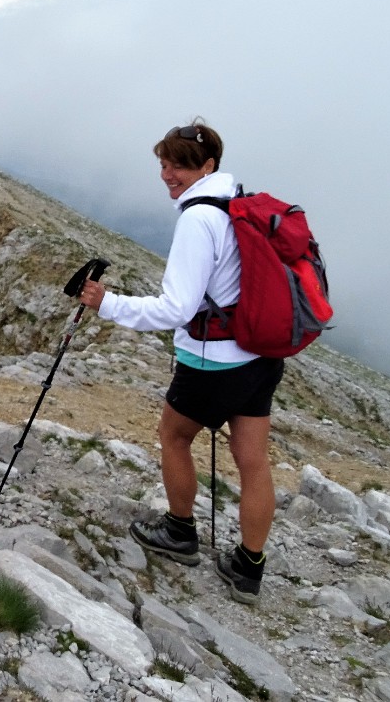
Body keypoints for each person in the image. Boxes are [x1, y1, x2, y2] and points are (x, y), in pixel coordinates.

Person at [79, 120, 284, 605]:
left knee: (173, 435)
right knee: (253, 462)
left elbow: (177, 308)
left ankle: (179, 533)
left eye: (180, 165)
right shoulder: (237, 202)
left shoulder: (197, 219)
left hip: (212, 361)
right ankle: (248, 568)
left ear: (207, 166)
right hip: (260, 354)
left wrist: (108, 303)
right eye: (164, 163)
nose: (168, 173)